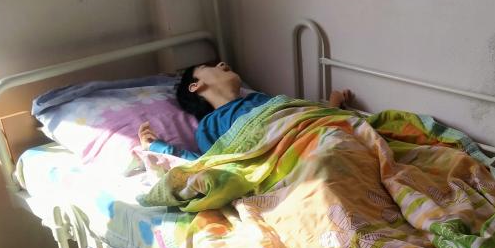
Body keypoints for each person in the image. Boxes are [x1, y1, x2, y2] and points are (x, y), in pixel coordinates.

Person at [139, 61, 353, 159]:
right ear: (195, 86)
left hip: (315, 138)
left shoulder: (260, 98)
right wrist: (160, 148)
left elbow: (302, 118)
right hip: (293, 156)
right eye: (209, 67)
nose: (222, 64)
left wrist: (332, 107)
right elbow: (209, 167)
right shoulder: (209, 125)